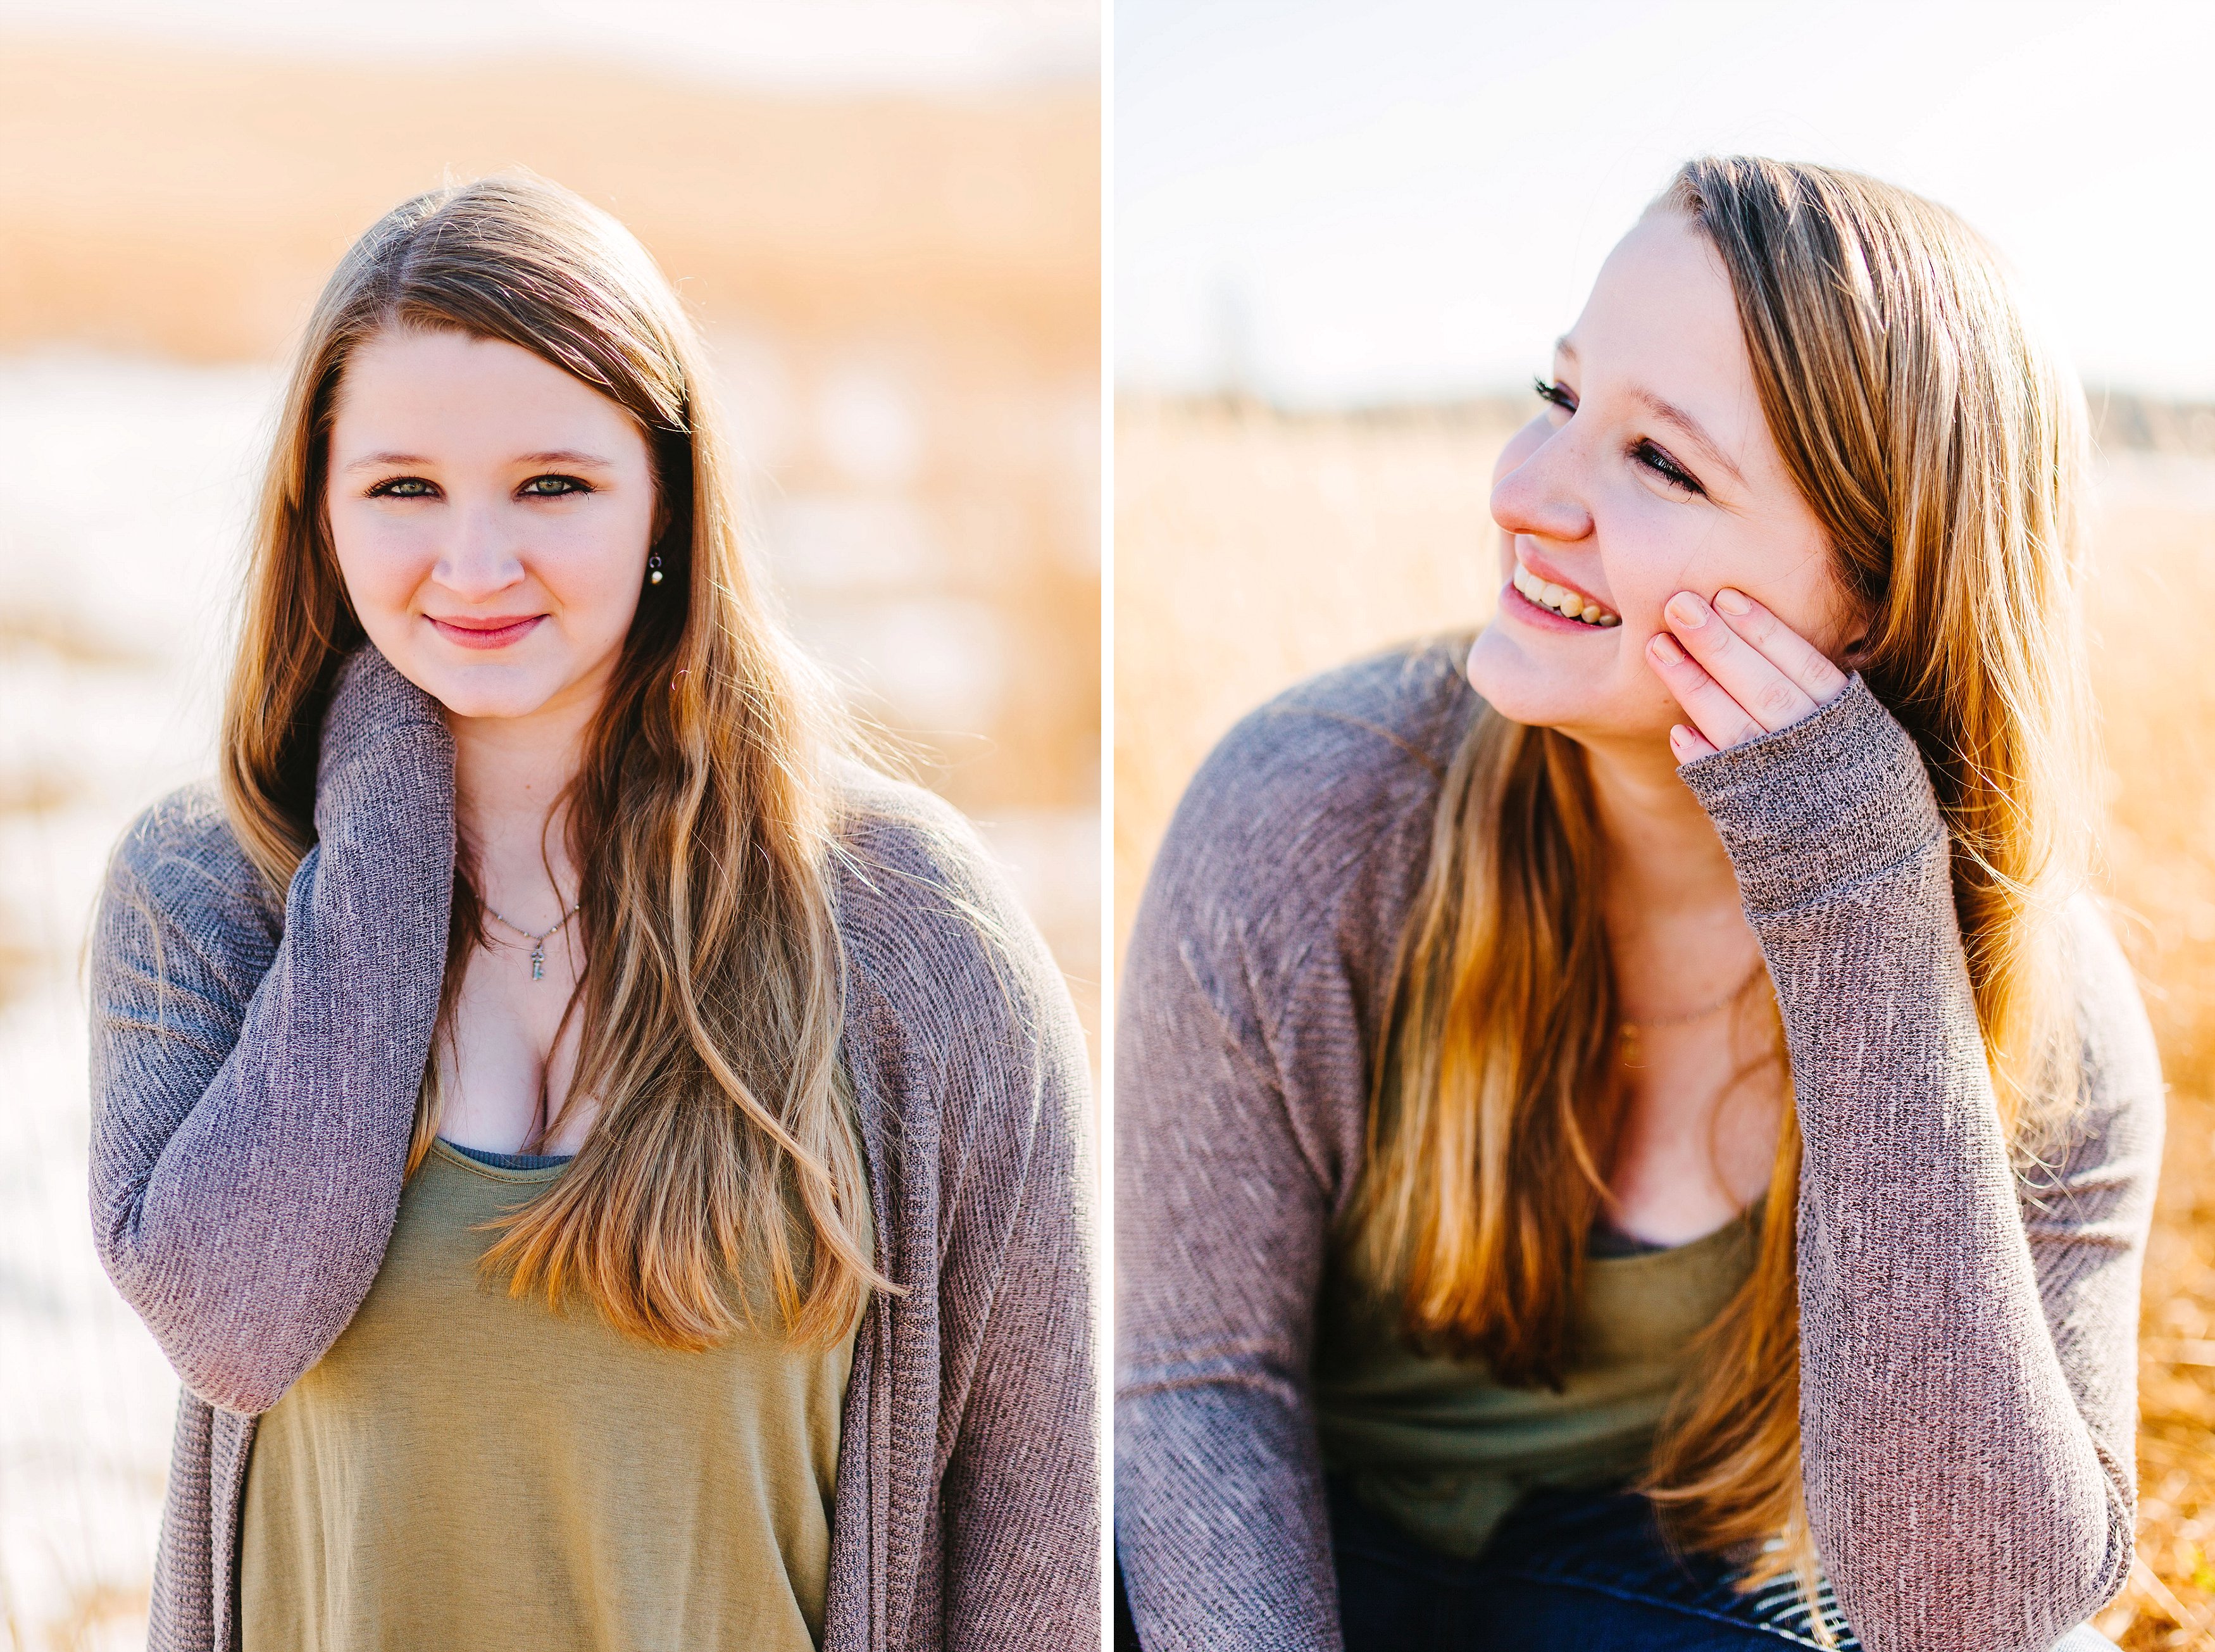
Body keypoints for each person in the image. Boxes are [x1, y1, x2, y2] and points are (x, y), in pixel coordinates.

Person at [1115, 156, 2159, 1652]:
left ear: (1872, 599)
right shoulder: (1309, 813)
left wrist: (1857, 906)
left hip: (1646, 1588)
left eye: (1659, 464)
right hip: (1275, 1547)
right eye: (1557, 399)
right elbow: (1193, 1391)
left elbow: (1977, 1620)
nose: (1525, 496)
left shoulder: (2042, 1012)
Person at [90, 173, 1095, 1652]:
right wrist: (379, 804)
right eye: (403, 489)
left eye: (553, 485)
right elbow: (235, 1321)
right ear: (318, 510)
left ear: (668, 500)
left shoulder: (907, 938)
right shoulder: (211, 894)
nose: (477, 565)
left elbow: (1037, 1541)